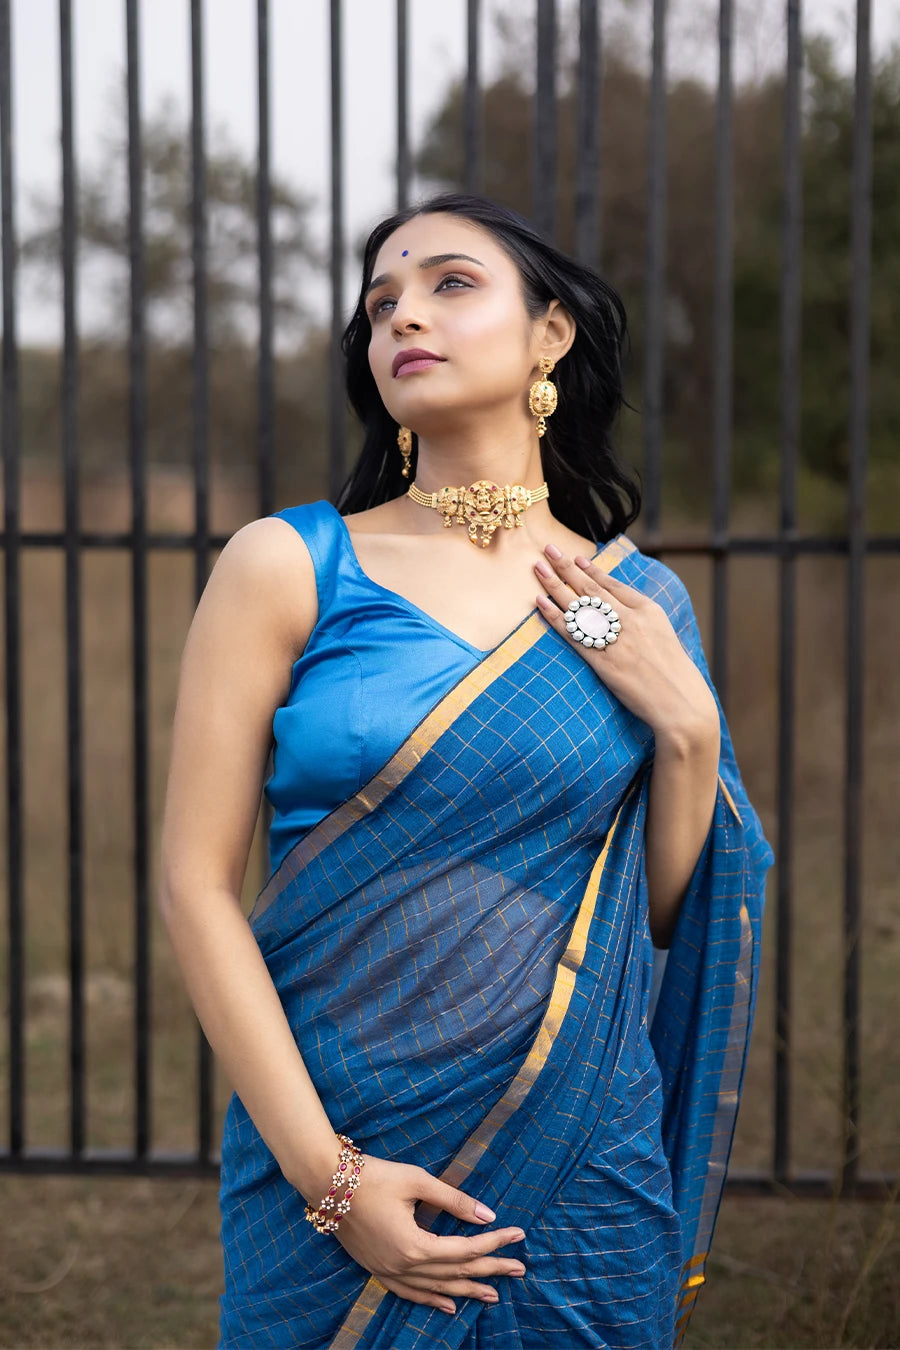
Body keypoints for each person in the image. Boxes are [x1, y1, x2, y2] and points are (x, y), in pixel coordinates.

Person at [158, 191, 774, 1349]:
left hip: (581, 1150)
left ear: (551, 336)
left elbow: (653, 915)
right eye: (381, 301)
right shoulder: (289, 565)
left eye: (450, 283)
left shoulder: (630, 605)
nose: (402, 317)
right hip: (332, 1135)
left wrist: (689, 730)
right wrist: (332, 1180)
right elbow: (194, 887)